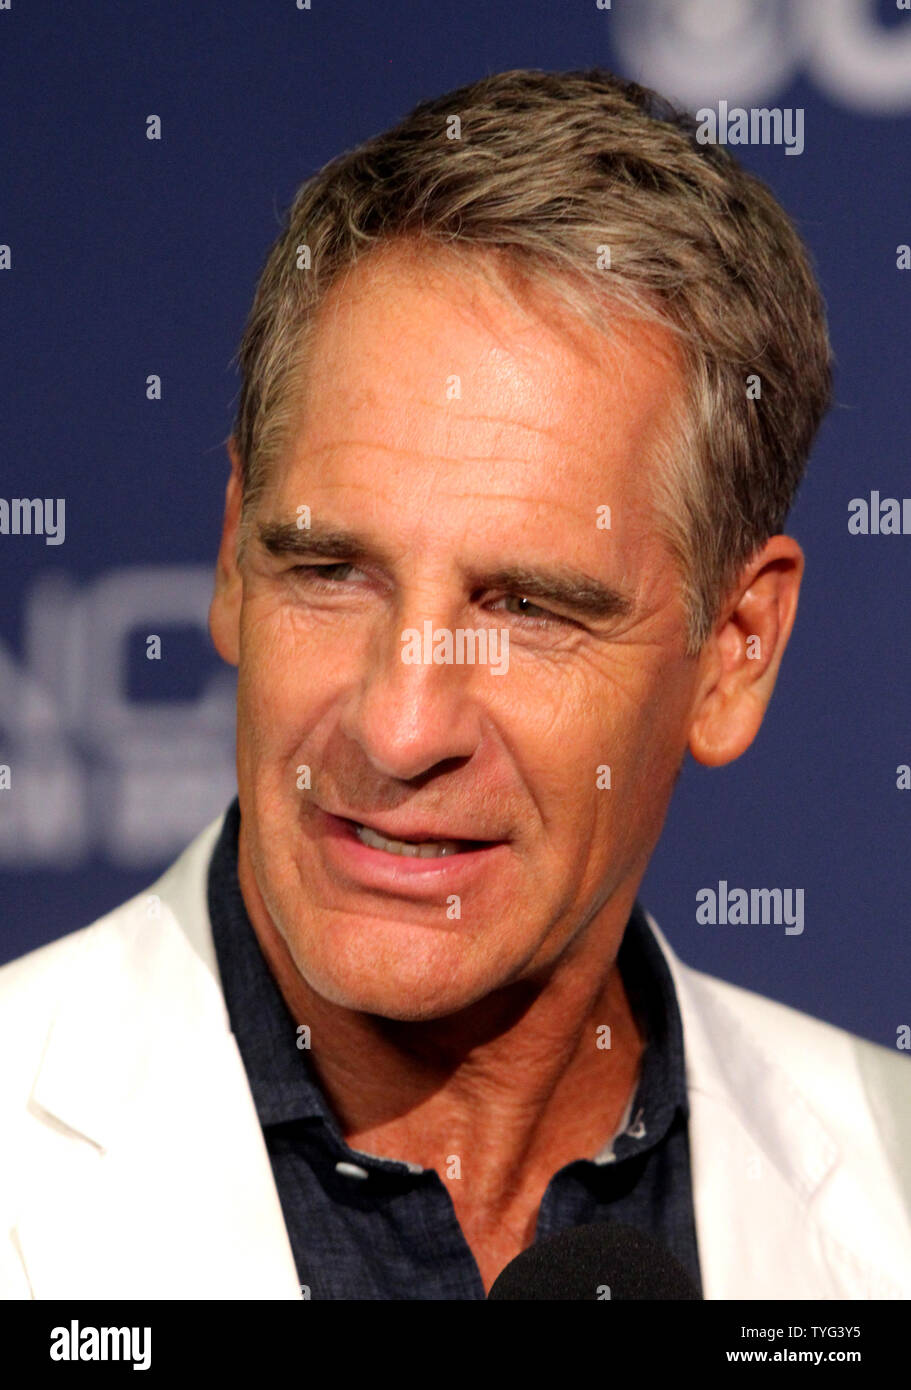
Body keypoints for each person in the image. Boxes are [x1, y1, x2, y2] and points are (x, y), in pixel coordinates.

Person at [2, 67, 909, 1302]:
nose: (398, 722)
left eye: (526, 607)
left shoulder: (887, 1185)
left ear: (735, 648)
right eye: (330, 570)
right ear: (230, 554)